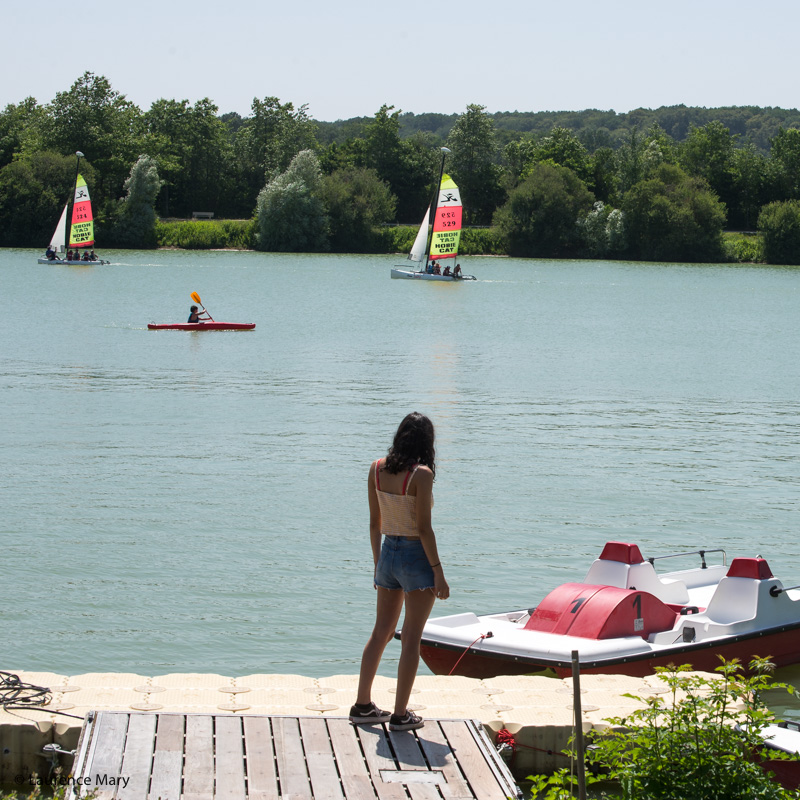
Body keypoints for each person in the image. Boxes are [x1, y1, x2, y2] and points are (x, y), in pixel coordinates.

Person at [350, 412, 449, 732]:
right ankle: (400, 714)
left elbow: (374, 523)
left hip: (387, 554)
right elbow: (424, 529)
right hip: (415, 558)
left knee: (381, 632)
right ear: (427, 442)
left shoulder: (376, 468)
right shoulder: (421, 474)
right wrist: (438, 571)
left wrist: (378, 564)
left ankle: (362, 705)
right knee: (411, 639)